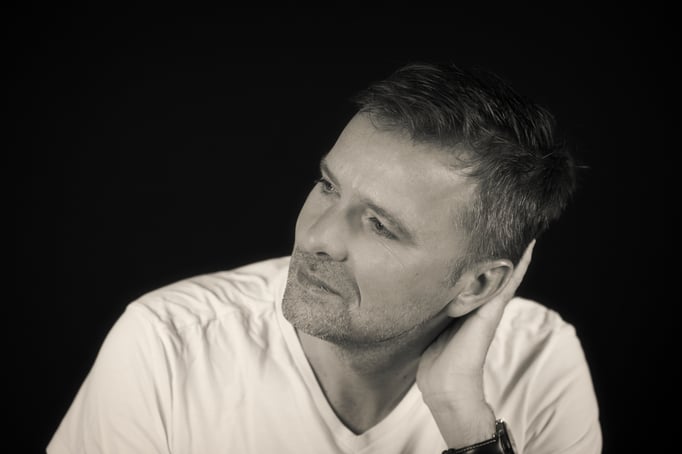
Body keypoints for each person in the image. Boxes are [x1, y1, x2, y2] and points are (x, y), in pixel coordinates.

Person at [47, 62, 601, 454]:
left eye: (381, 225)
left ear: (477, 286)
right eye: (328, 186)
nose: (317, 237)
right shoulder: (168, 344)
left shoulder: (539, 363)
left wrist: (462, 416)